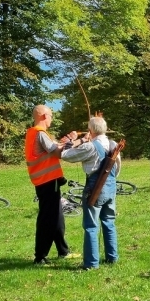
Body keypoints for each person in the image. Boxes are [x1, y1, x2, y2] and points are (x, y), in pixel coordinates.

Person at [60, 116, 121, 270]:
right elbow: (117, 168)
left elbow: (65, 155)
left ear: (91, 130)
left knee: (91, 226)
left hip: (95, 188)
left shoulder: (90, 147)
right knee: (109, 222)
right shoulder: (114, 144)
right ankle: (112, 257)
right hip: (111, 186)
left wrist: (73, 140)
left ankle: (92, 263)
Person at [25, 105, 70, 264]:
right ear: (44, 116)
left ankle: (63, 251)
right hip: (48, 181)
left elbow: (55, 146)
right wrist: (75, 142)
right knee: (48, 218)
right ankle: (40, 256)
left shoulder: (36, 133)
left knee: (57, 215)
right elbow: (57, 152)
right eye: (51, 115)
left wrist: (66, 141)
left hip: (45, 181)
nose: (52, 118)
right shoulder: (40, 133)